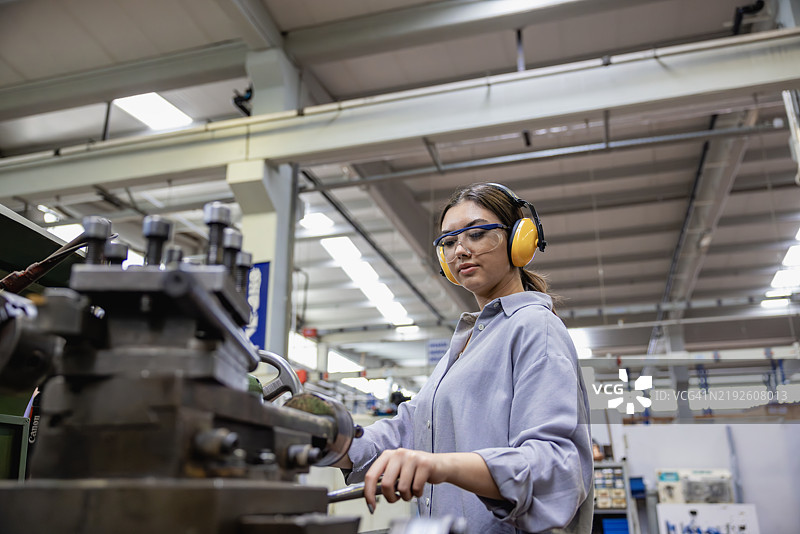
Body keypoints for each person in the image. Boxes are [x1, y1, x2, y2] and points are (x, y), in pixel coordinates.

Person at [336, 182, 593, 533]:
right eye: (449, 241)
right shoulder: (468, 341)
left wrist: (442, 466)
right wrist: (332, 437)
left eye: (476, 234)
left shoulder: (535, 327)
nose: (460, 250)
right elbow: (412, 428)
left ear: (520, 240)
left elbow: (555, 466)